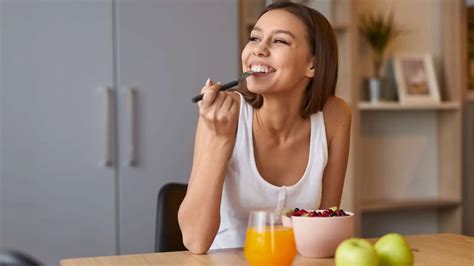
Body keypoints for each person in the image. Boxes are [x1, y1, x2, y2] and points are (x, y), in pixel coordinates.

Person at [178, 2, 351, 254]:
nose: (258, 49)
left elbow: (324, 227)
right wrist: (220, 139)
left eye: (279, 41)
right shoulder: (223, 114)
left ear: (312, 65)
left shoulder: (335, 116)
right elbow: (195, 241)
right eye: (255, 37)